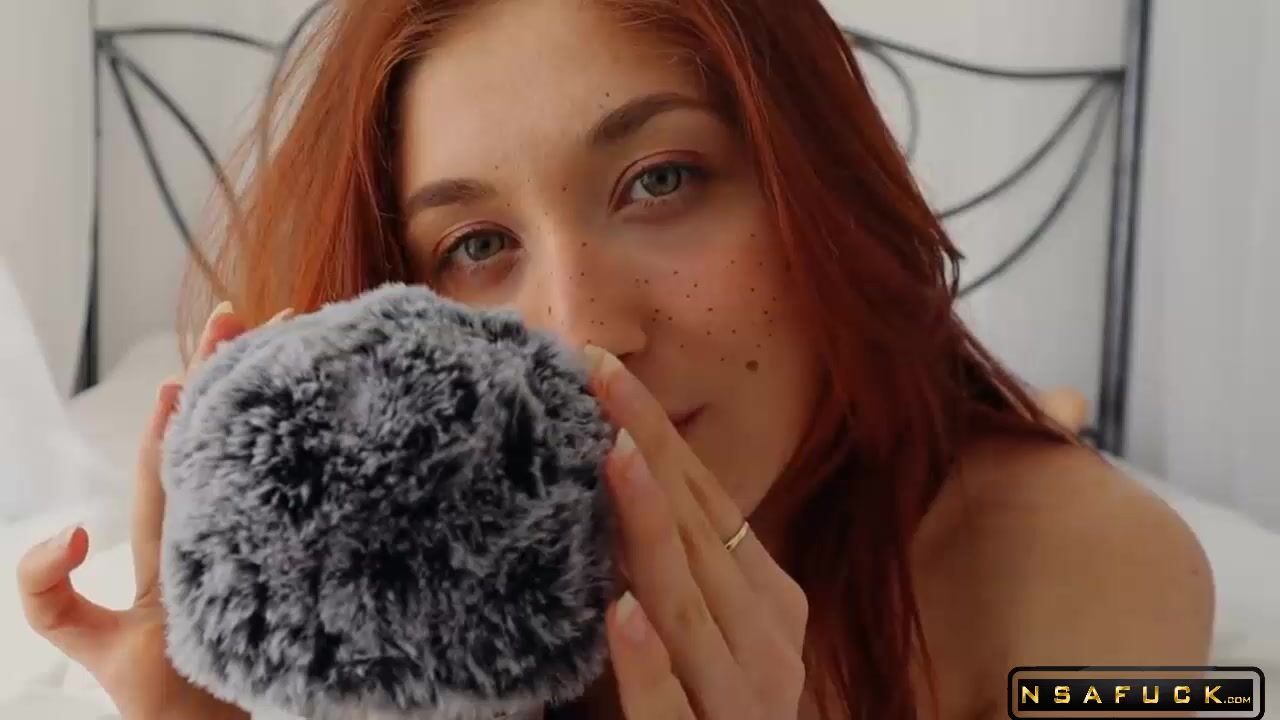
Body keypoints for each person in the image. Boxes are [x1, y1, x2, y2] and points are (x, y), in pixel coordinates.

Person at [16, 1, 1214, 718]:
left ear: (815, 189)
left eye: (660, 180)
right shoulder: (415, 585)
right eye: (477, 246)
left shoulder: (1092, 572)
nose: (582, 330)